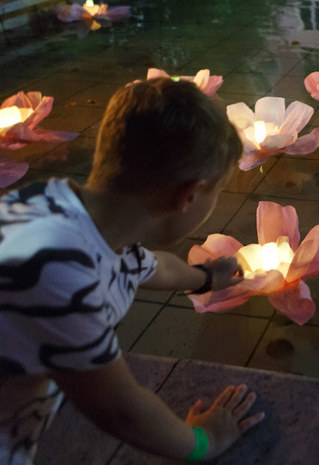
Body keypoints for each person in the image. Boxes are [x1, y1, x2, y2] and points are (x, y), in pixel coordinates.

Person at [0, 78, 264, 464]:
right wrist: (205, 441)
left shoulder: (55, 203)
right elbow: (121, 411)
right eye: (217, 193)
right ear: (188, 195)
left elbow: (154, 267)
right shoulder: (60, 275)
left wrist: (209, 278)